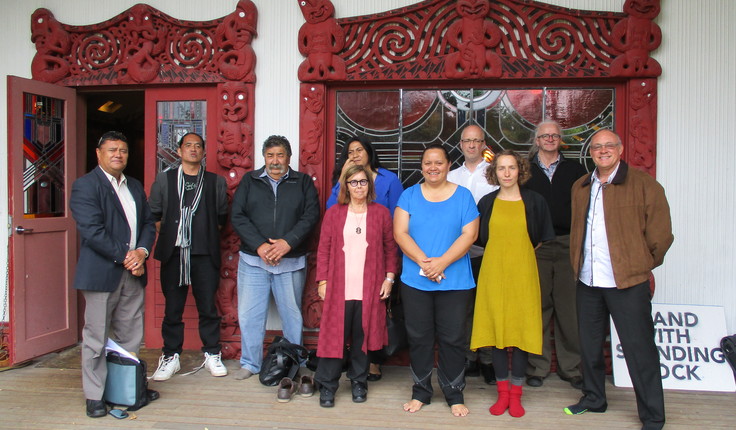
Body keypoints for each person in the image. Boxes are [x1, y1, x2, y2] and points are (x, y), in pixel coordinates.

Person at [565, 129, 673, 430]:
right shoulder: (581, 186)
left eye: (609, 146)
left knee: (639, 350)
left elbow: (661, 236)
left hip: (627, 283)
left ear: (620, 149)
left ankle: (653, 415)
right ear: (591, 153)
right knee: (588, 346)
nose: (602, 151)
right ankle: (594, 399)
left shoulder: (644, 185)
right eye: (597, 147)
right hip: (588, 281)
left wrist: (640, 264)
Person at [70, 131, 157, 418]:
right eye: (112, 150)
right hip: (102, 273)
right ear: (99, 153)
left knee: (129, 335)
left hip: (133, 271)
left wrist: (142, 252)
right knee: (96, 336)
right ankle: (95, 396)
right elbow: (93, 231)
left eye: (123, 150)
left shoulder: (133, 185)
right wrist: (127, 257)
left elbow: (147, 222)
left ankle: (126, 389)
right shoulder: (85, 186)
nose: (118, 154)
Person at [393, 144, 479, 417]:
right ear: (422, 167)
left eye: (438, 163)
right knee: (419, 338)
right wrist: (424, 262)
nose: (433, 167)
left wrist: (441, 263)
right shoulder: (409, 195)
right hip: (416, 281)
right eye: (428, 163)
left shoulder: (464, 196)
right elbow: (400, 233)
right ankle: (421, 392)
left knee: (453, 338)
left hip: (455, 282)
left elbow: (469, 235)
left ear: (448, 165)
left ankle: (454, 393)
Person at [471, 150, 554, 418]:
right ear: (493, 173)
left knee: (518, 334)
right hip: (493, 272)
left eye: (511, 168)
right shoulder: (486, 203)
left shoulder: (535, 201)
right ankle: (502, 393)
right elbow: (479, 237)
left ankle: (516, 395)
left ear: (520, 171)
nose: (506, 173)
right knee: (496, 335)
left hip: (523, 274)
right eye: (501, 168)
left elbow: (539, 237)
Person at [230, 135, 320, 380]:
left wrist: (287, 243)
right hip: (253, 260)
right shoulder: (250, 180)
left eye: (280, 155)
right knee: (250, 313)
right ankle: (250, 363)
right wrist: (260, 246)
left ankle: (294, 361)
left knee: (291, 314)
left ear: (289, 157)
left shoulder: (302, 182)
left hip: (290, 260)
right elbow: (238, 215)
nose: (275, 160)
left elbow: (310, 216)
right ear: (264, 157)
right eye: (270, 155)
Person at [314, 165, 398, 407]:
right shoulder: (335, 213)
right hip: (338, 286)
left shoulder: (381, 213)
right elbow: (324, 250)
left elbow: (390, 249)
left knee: (363, 336)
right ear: (346, 186)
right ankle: (328, 385)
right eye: (354, 182)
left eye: (363, 182)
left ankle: (359, 381)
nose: (359, 186)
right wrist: (323, 281)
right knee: (334, 336)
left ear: (369, 186)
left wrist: (389, 279)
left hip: (369, 286)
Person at [148, 132, 229, 381]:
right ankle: (171, 356)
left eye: (198, 146)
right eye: (188, 146)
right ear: (180, 151)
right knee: (173, 308)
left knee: (207, 307)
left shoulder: (216, 182)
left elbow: (221, 219)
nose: (193, 149)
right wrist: (179, 233)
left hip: (205, 254)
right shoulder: (165, 180)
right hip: (174, 254)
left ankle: (212, 354)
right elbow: (155, 216)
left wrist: (198, 233)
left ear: (204, 152)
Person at [326, 135, 403, 381]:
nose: (355, 154)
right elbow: (331, 212)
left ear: (369, 152)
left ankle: (372, 364)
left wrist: (390, 272)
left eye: (360, 149)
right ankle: (345, 365)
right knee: (348, 316)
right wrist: (342, 179)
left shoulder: (389, 179)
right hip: (346, 266)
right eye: (350, 151)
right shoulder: (344, 180)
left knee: (375, 316)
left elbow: (397, 221)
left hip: (379, 260)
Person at [524, 121, 587, 389]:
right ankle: (537, 367)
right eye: (544, 135)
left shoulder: (576, 169)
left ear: (561, 140)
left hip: (566, 243)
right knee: (538, 308)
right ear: (536, 140)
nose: (550, 139)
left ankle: (570, 367)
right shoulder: (525, 169)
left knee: (567, 309)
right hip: (535, 246)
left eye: (554, 135)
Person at [447, 124, 499, 385]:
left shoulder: (494, 175)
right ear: (460, 144)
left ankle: (488, 360)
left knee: (488, 307)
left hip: (488, 252)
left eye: (476, 141)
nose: (471, 145)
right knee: (464, 309)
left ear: (483, 144)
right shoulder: (451, 175)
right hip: (457, 254)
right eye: (467, 141)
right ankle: (469, 357)